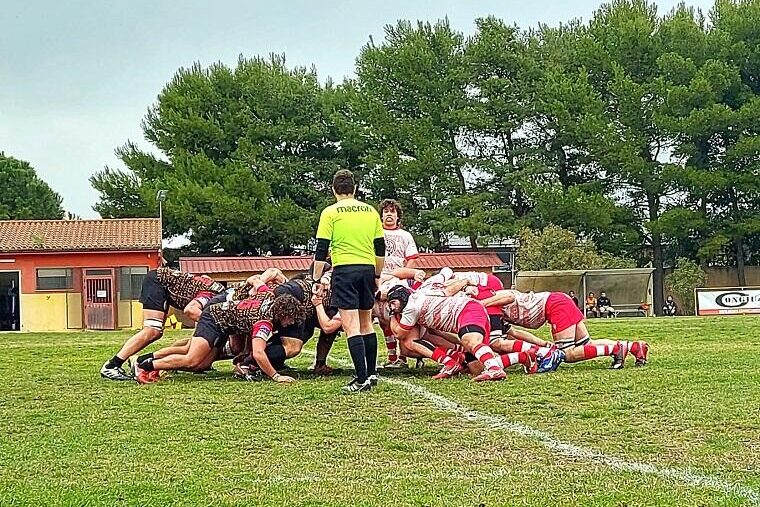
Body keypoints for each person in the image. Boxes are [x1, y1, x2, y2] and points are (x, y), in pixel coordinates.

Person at [312, 169, 386, 393]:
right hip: (367, 269)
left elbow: (321, 249)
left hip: (344, 270)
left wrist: (316, 278)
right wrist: (377, 274)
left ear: (333, 190)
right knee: (366, 323)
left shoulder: (330, 212)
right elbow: (380, 248)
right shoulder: (370, 211)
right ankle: (371, 374)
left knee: (351, 325)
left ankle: (361, 379)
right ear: (355, 189)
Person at [134, 290, 305, 384]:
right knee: (192, 359)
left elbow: (257, 283)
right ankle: (144, 366)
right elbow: (259, 353)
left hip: (222, 320)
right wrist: (276, 376)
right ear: (282, 313)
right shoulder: (264, 322)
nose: (291, 323)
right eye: (290, 318)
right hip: (214, 319)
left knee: (196, 358)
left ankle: (145, 359)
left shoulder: (268, 296)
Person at [100, 267, 225, 381]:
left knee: (163, 334)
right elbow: (191, 310)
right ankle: (112, 365)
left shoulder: (218, 293)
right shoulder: (214, 295)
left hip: (162, 283)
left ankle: (141, 361)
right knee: (153, 331)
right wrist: (214, 326)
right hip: (159, 282)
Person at [481, 289, 649, 369]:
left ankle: (615, 349)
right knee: (586, 344)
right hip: (557, 302)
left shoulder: (492, 299)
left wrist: (481, 303)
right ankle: (633, 346)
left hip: (554, 305)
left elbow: (509, 296)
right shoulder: (494, 310)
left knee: (566, 353)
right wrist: (542, 344)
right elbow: (515, 333)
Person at [387, 286, 507, 381]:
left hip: (466, 311)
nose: (392, 306)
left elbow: (399, 334)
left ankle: (494, 368)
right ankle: (513, 359)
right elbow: (447, 291)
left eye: (393, 302)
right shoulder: (421, 294)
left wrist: (391, 314)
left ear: (402, 297)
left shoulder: (410, 308)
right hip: (470, 308)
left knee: (470, 341)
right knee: (476, 368)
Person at [379, 198, 419, 368]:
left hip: (398, 283)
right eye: (386, 211)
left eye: (393, 211)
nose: (389, 214)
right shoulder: (375, 233)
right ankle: (391, 356)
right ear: (381, 215)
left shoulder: (405, 235)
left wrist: (403, 277)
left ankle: (403, 357)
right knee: (383, 320)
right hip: (379, 280)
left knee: (399, 317)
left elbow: (412, 259)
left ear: (398, 216)